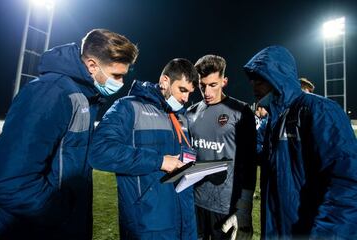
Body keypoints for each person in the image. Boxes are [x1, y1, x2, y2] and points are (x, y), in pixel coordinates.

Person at [0, 29, 138, 240]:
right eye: (116, 75)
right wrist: (62, 214)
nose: (120, 83)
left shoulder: (84, 94)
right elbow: (12, 180)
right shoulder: (50, 92)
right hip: (33, 228)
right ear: (92, 65)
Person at [244, 45, 357, 239]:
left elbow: (347, 183)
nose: (254, 85)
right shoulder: (274, 119)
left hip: (310, 231)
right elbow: (260, 156)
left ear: (279, 77)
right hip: (279, 229)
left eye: (261, 78)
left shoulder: (319, 110)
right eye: (252, 78)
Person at [89, 58, 199, 239]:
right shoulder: (128, 107)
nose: (186, 98)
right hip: (148, 224)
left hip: (185, 224)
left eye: (190, 93)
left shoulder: (181, 118)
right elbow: (99, 152)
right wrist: (159, 161)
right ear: (165, 81)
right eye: (182, 90)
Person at [186, 55, 257, 240]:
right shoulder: (190, 113)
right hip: (195, 202)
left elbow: (249, 164)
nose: (207, 91)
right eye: (202, 86)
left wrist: (245, 208)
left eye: (213, 85)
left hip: (226, 206)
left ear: (224, 81)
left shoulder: (241, 112)